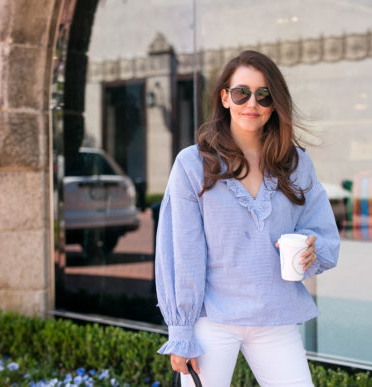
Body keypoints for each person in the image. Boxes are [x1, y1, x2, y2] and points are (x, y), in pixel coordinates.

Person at [155, 50, 340, 386]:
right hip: (212, 320)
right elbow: (181, 252)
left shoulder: (296, 163)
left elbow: (322, 229)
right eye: (241, 92)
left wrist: (314, 249)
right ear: (225, 97)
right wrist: (181, 330)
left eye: (264, 95)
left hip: (276, 315)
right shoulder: (192, 165)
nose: (251, 103)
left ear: (275, 104)